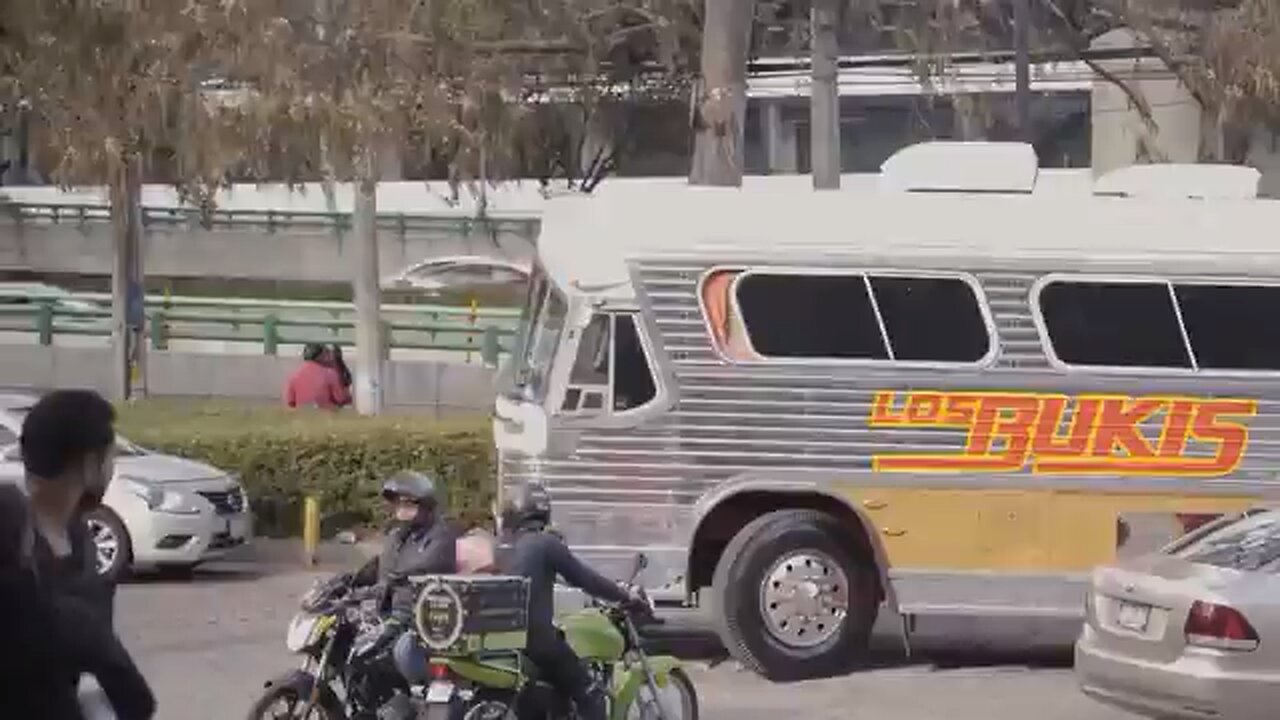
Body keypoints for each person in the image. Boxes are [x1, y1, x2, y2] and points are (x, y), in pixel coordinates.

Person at [17, 389, 156, 719]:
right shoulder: (19, 555)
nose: (112, 470)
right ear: (91, 463)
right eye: (111, 458)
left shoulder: (79, 539)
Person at [497, 481, 643, 720]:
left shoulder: (502, 547)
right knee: (591, 696)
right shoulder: (546, 544)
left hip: (503, 639)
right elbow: (586, 579)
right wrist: (624, 595)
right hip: (536, 642)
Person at [337, 471, 461, 715]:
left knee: (398, 649)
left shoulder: (441, 536)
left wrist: (398, 577)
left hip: (424, 620)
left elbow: (428, 564)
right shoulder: (396, 537)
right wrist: (348, 581)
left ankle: (416, 703)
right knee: (350, 645)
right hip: (390, 612)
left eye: (409, 503)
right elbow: (379, 566)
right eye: (398, 503)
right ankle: (365, 705)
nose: (402, 508)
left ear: (424, 505)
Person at [283, 342, 351, 409]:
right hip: (326, 417)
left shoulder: (293, 376)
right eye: (326, 353)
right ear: (321, 355)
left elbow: (290, 403)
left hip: (302, 417)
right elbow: (340, 399)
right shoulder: (330, 374)